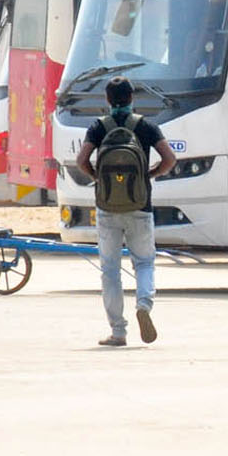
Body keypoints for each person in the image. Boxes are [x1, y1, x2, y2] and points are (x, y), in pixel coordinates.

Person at [73, 76, 176, 347]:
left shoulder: (98, 127)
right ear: (132, 98)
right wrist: (149, 174)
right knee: (144, 262)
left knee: (110, 270)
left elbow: (81, 160)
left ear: (107, 99)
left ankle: (118, 332)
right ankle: (144, 305)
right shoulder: (146, 126)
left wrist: (97, 177)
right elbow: (170, 159)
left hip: (107, 206)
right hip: (140, 205)